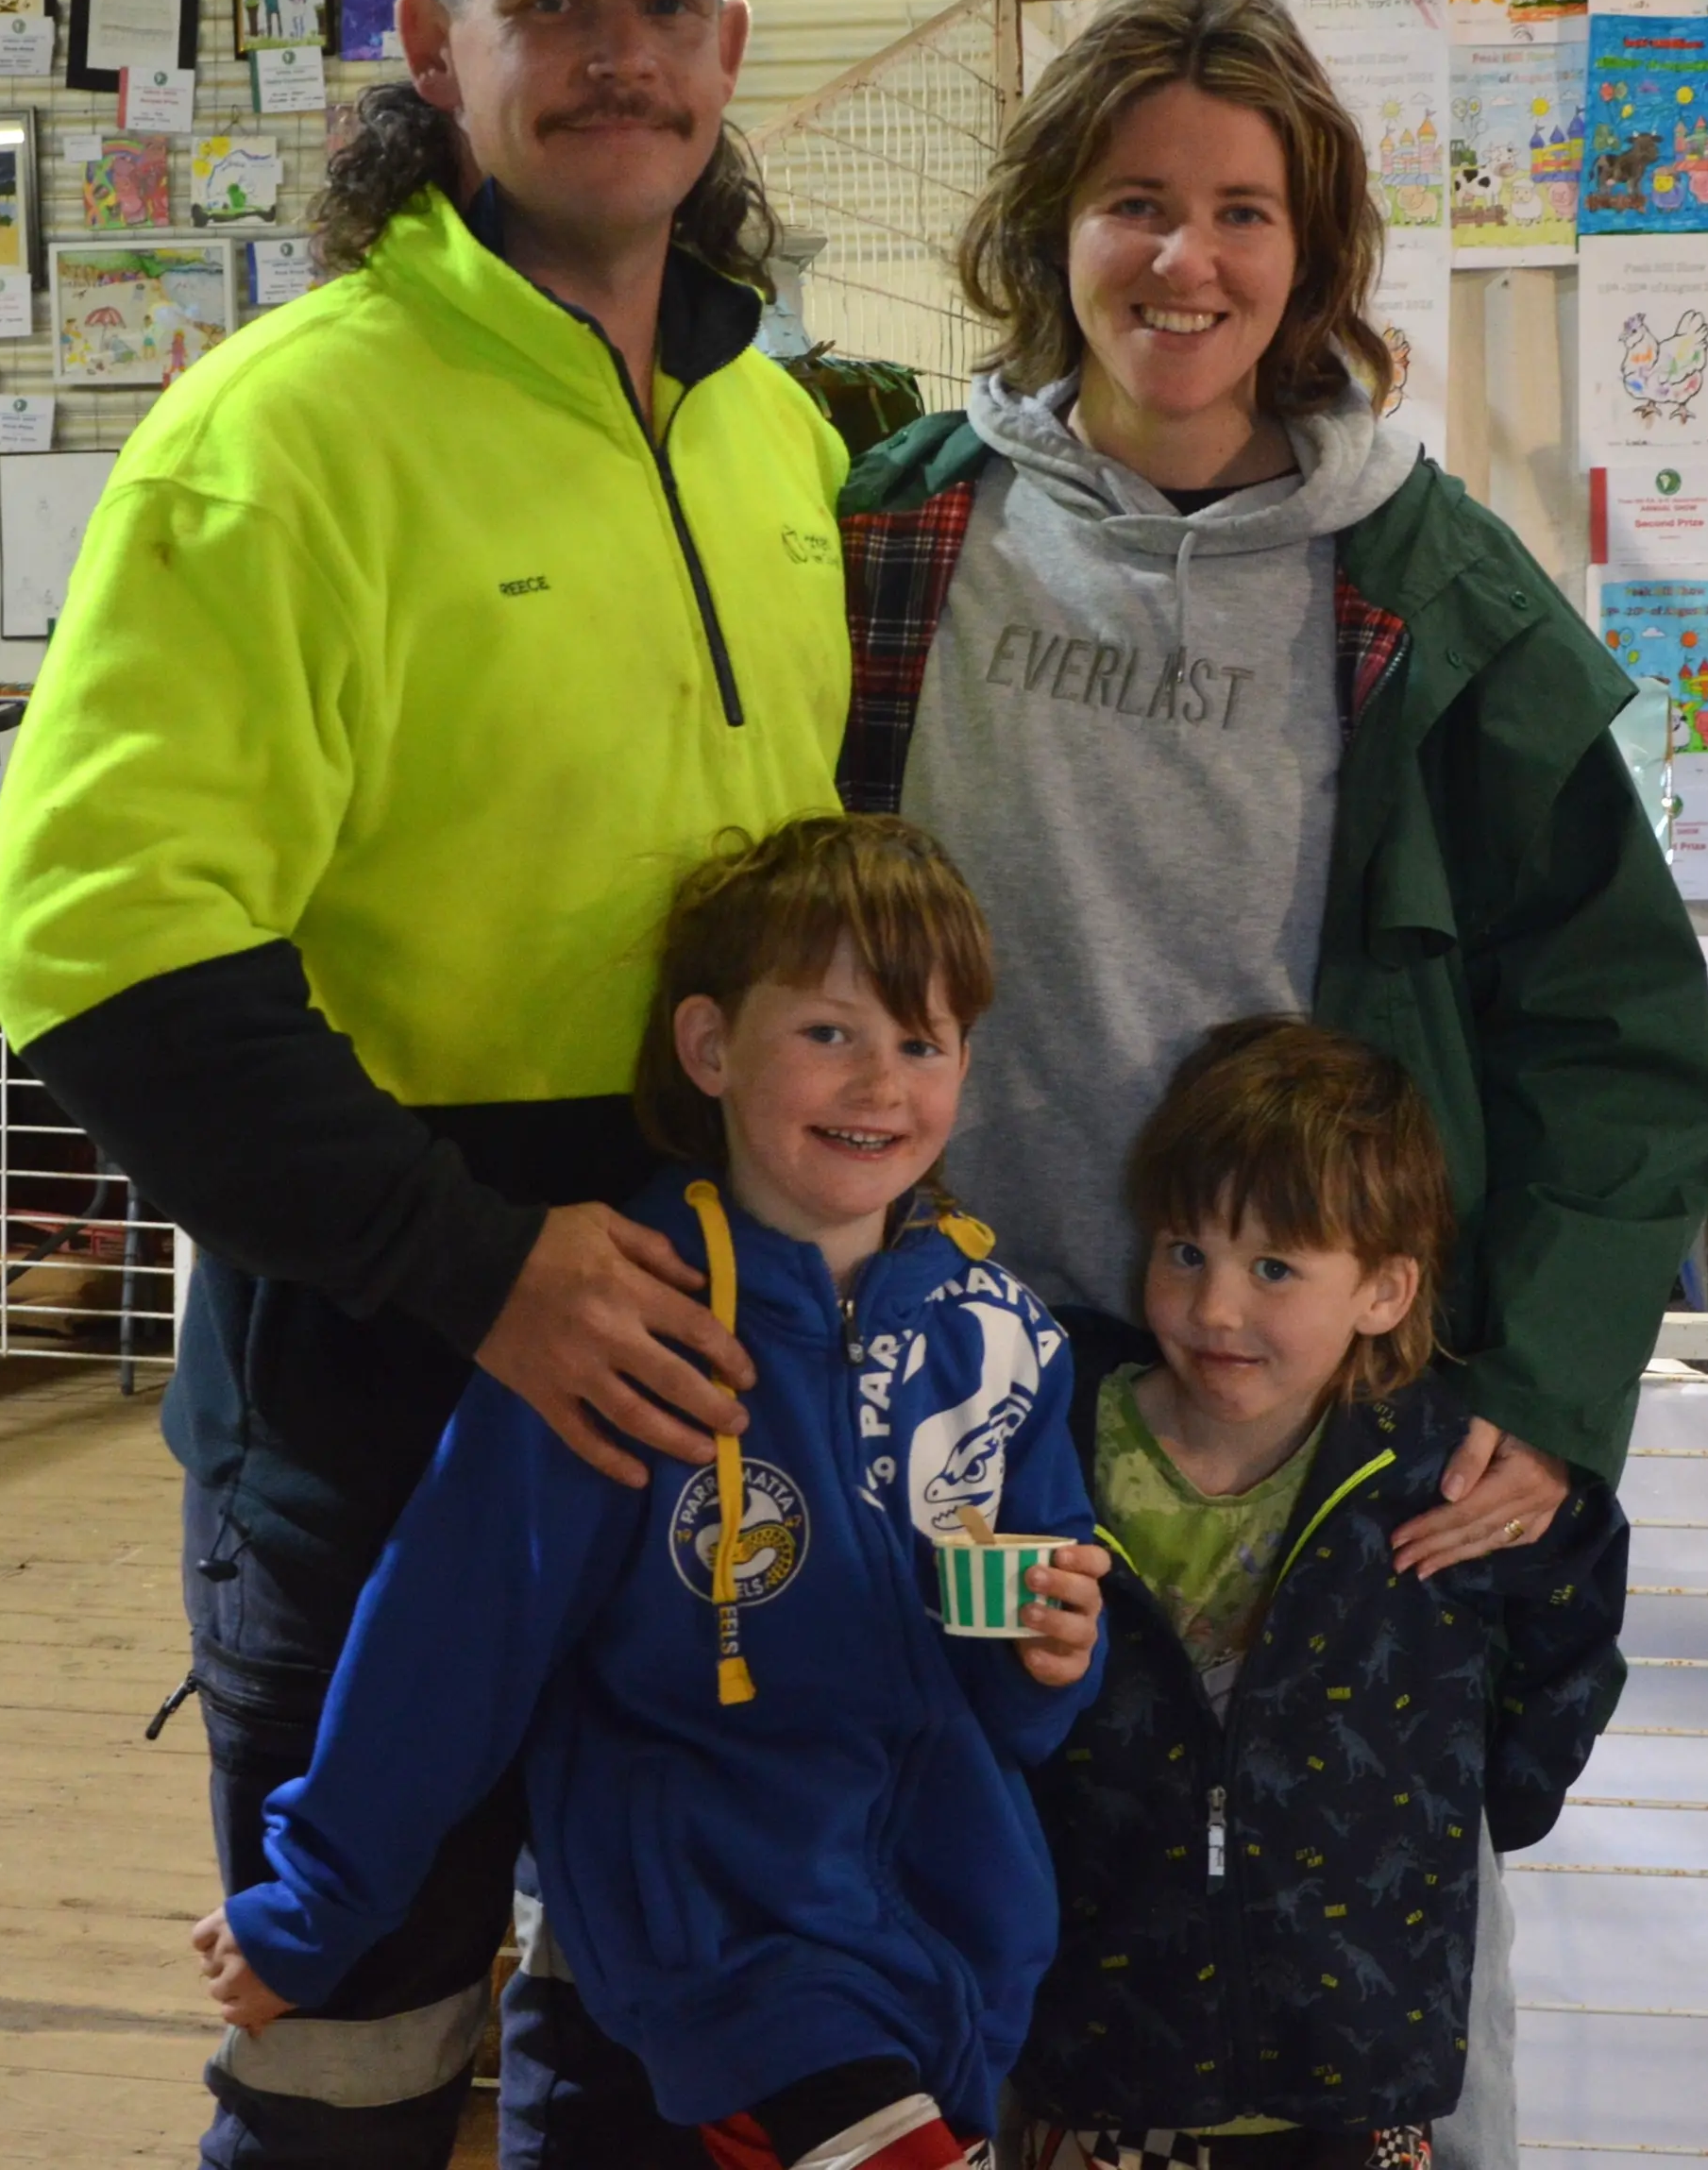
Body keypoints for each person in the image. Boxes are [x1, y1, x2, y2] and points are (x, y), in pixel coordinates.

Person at [0, 0, 853, 2167]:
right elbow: (97, 944)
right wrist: (475, 1273)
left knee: (668, 2030)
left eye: (660, 4)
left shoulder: (773, 430)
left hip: (709, 1397)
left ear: (727, 47)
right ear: (422, 41)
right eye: (547, 4)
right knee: (355, 2045)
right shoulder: (283, 434)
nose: (615, 58)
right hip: (384, 1405)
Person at [832, 0, 1708, 2163]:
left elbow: (1610, 1018)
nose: (1184, 255)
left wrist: (1547, 1378)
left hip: (1291, 1407)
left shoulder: (1426, 587)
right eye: (1134, 200)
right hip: (962, 1378)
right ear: (1051, 229)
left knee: (1341, 1962)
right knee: (961, 1907)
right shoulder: (896, 536)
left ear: (1308, 252)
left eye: (1239, 209)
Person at [192, 813, 1108, 2170]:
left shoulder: (1001, 1336)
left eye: (923, 1044)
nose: (880, 1083)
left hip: (953, 1967)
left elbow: (1018, 1711)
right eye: (830, 1033)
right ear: (709, 1047)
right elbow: (454, 1631)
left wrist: (1051, 1657)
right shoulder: (626, 1322)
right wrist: (314, 1904)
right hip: (713, 1956)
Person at [1010, 1018, 1629, 2169]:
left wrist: (1470, 1803)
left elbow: (1569, 1639)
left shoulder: (1447, 1474)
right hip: (1093, 2085)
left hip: (1361, 2093)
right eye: (1184, 1250)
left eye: (1275, 1266)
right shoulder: (1045, 1440)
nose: (1216, 1308)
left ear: (1388, 1288)